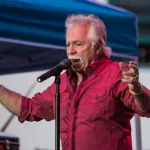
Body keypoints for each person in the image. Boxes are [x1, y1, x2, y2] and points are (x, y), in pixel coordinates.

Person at [0, 14, 150, 150]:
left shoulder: (115, 73)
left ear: (98, 46)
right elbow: (28, 108)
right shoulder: (63, 81)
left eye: (78, 44)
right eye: (68, 44)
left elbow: (146, 108)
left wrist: (137, 91)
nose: (70, 50)